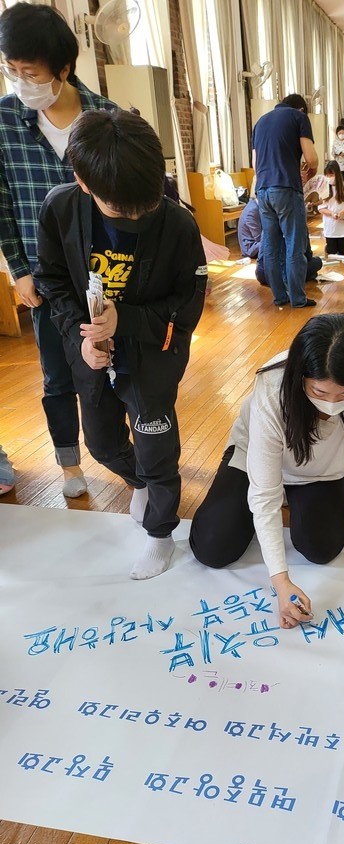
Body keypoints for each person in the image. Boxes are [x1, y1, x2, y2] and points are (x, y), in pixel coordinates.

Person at [35, 109, 207, 580]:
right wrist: (79, 335)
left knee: (156, 442)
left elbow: (189, 299)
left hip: (151, 349)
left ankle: (160, 533)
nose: (135, 217)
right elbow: (52, 280)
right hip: (90, 346)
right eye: (120, 209)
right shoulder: (60, 208)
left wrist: (125, 319)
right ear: (83, 182)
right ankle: (141, 482)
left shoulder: (177, 224)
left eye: (145, 206)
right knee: (102, 442)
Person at [189, 314, 344, 626]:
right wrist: (281, 582)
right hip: (254, 459)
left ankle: (297, 496)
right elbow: (264, 491)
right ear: (301, 378)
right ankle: (282, 498)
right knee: (212, 547)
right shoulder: (273, 389)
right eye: (320, 392)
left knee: (322, 549)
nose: (332, 404)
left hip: (322, 470)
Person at [0, 2, 116, 499]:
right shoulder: (6, 120)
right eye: (11, 70)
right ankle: (69, 465)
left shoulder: (105, 117)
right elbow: (3, 202)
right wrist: (18, 269)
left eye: (30, 73)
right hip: (43, 277)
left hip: (103, 272)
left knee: (113, 368)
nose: (20, 81)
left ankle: (124, 452)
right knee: (56, 378)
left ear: (63, 69)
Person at [252, 93, 318, 309]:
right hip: (286, 188)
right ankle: (298, 298)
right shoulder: (298, 118)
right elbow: (311, 158)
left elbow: (255, 164)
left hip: (262, 190)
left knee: (270, 246)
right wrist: (311, 171)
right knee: (294, 244)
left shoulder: (260, 122)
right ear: (301, 109)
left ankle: (279, 296)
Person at [317, 160, 344, 257]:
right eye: (327, 175)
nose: (329, 178)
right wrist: (331, 213)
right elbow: (321, 208)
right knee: (332, 252)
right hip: (330, 223)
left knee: (343, 252)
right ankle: (328, 247)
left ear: (337, 174)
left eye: (331, 175)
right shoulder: (324, 188)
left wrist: (343, 212)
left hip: (343, 223)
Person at [256, 237, 321, 288]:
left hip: (261, 274)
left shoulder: (267, 225)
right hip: (284, 276)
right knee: (317, 261)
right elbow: (308, 256)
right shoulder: (296, 225)